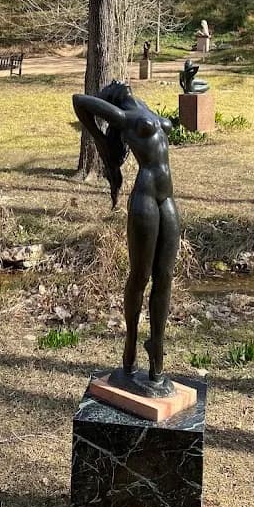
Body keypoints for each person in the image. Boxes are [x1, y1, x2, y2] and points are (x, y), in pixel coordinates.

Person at [73, 81, 180, 396]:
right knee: (141, 275)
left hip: (168, 199)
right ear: (115, 95)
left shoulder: (143, 107)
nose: (121, 82)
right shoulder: (121, 114)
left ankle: (156, 349)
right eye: (115, 85)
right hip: (145, 198)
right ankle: (131, 347)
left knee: (166, 276)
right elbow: (80, 101)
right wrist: (102, 144)